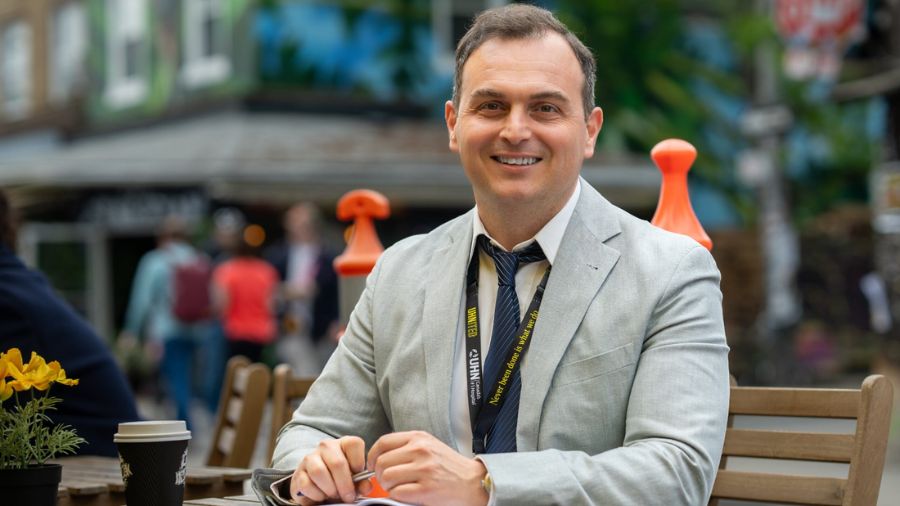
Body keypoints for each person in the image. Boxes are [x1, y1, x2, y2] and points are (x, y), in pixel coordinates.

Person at [272, 5, 730, 505]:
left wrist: (484, 485)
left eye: (546, 108)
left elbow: (677, 471)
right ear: (453, 124)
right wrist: (316, 465)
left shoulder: (670, 272)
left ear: (590, 130)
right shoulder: (398, 273)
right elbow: (309, 433)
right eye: (490, 106)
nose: (515, 130)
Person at [0, 189, 140, 456]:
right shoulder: (15, 283)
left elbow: (11, 424)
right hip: (109, 451)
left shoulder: (8, 298)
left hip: (107, 466)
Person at [120, 216, 211, 429]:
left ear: (162, 237)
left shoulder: (155, 261)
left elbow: (141, 299)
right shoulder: (199, 259)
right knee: (187, 378)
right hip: (196, 330)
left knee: (175, 379)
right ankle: (187, 422)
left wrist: (131, 330)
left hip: (167, 330)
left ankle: (185, 427)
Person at [265, 203, 339, 375]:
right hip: (291, 327)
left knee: (323, 373)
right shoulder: (278, 255)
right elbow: (270, 290)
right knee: (302, 373)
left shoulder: (328, 255)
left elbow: (333, 290)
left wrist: (336, 321)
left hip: (322, 327)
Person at [211, 227, 280, 363]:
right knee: (257, 373)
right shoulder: (267, 271)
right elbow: (271, 305)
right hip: (260, 333)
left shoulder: (226, 270)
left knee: (234, 373)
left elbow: (223, 305)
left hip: (234, 332)